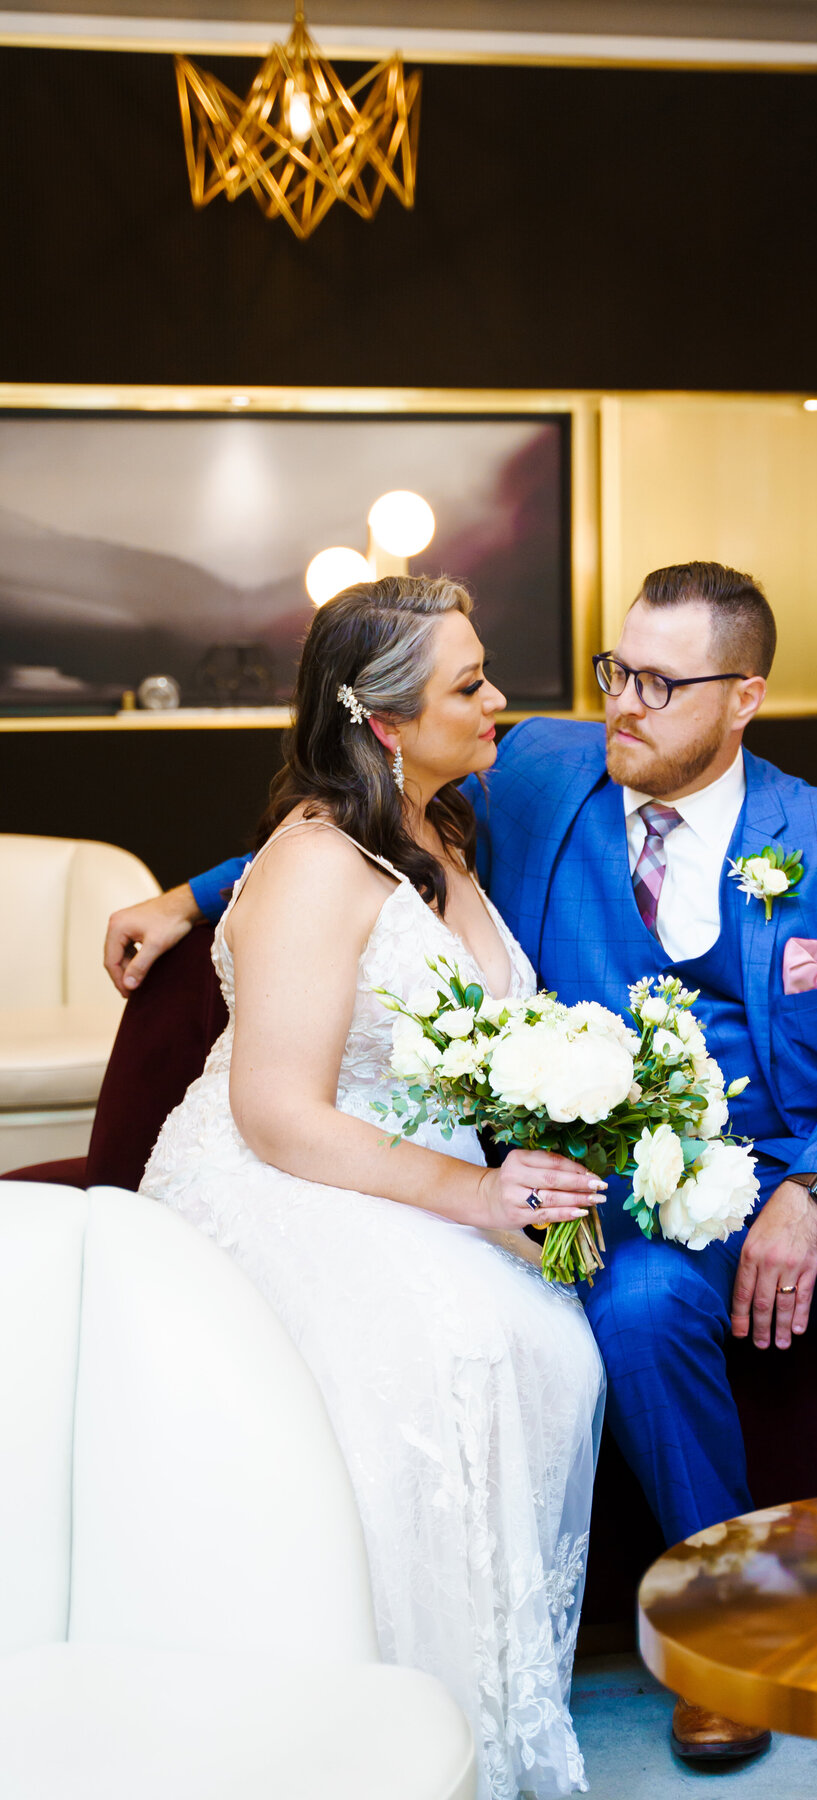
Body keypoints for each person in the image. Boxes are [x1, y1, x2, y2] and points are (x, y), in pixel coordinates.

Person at [109, 560, 817, 1770]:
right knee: (630, 1314)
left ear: (743, 698)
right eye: (613, 670)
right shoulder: (542, 770)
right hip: (648, 1180)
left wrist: (815, 1191)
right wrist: (184, 896)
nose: (621, 704)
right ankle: (723, 1639)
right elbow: (348, 821)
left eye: (658, 681)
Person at [136, 575, 606, 1800]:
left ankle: (483, 1711)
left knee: (550, 1339)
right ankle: (382, 1730)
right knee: (451, 1348)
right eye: (470, 684)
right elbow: (279, 1113)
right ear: (388, 723)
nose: (502, 699)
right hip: (288, 1169)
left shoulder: (449, 820)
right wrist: (481, 1198)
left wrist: (190, 888)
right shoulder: (309, 862)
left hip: (407, 1162)